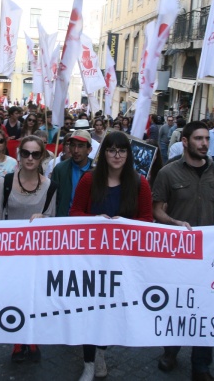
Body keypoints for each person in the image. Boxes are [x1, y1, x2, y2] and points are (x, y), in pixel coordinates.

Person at [69, 131, 153, 381]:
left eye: (122, 150)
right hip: (91, 257)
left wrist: (126, 224)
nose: (117, 155)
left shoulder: (140, 183)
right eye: (111, 150)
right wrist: (95, 220)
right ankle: (88, 361)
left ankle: (101, 352)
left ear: (128, 154)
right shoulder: (88, 180)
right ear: (103, 153)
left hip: (123, 260)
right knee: (89, 310)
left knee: (110, 311)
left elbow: (147, 220)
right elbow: (74, 213)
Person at [152, 120, 214, 381]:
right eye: (198, 138)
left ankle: (202, 365)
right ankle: (170, 351)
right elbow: (157, 210)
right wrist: (174, 223)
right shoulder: (168, 173)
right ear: (185, 142)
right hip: (177, 254)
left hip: (208, 255)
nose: (204, 143)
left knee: (205, 308)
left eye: (207, 138)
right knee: (177, 305)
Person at [0, 135, 56, 363]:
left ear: (41, 158)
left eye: (35, 154)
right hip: (11, 253)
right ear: (19, 155)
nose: (30, 158)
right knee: (15, 296)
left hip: (36, 254)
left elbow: (52, 219)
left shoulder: (49, 186)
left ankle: (32, 338)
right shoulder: (5, 182)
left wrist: (43, 218)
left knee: (34, 297)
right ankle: (18, 341)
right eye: (26, 153)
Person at [52, 130, 94, 218]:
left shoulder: (96, 170)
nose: (76, 150)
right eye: (73, 145)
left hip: (89, 223)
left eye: (80, 146)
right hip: (64, 223)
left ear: (89, 149)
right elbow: (53, 201)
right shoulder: (60, 169)